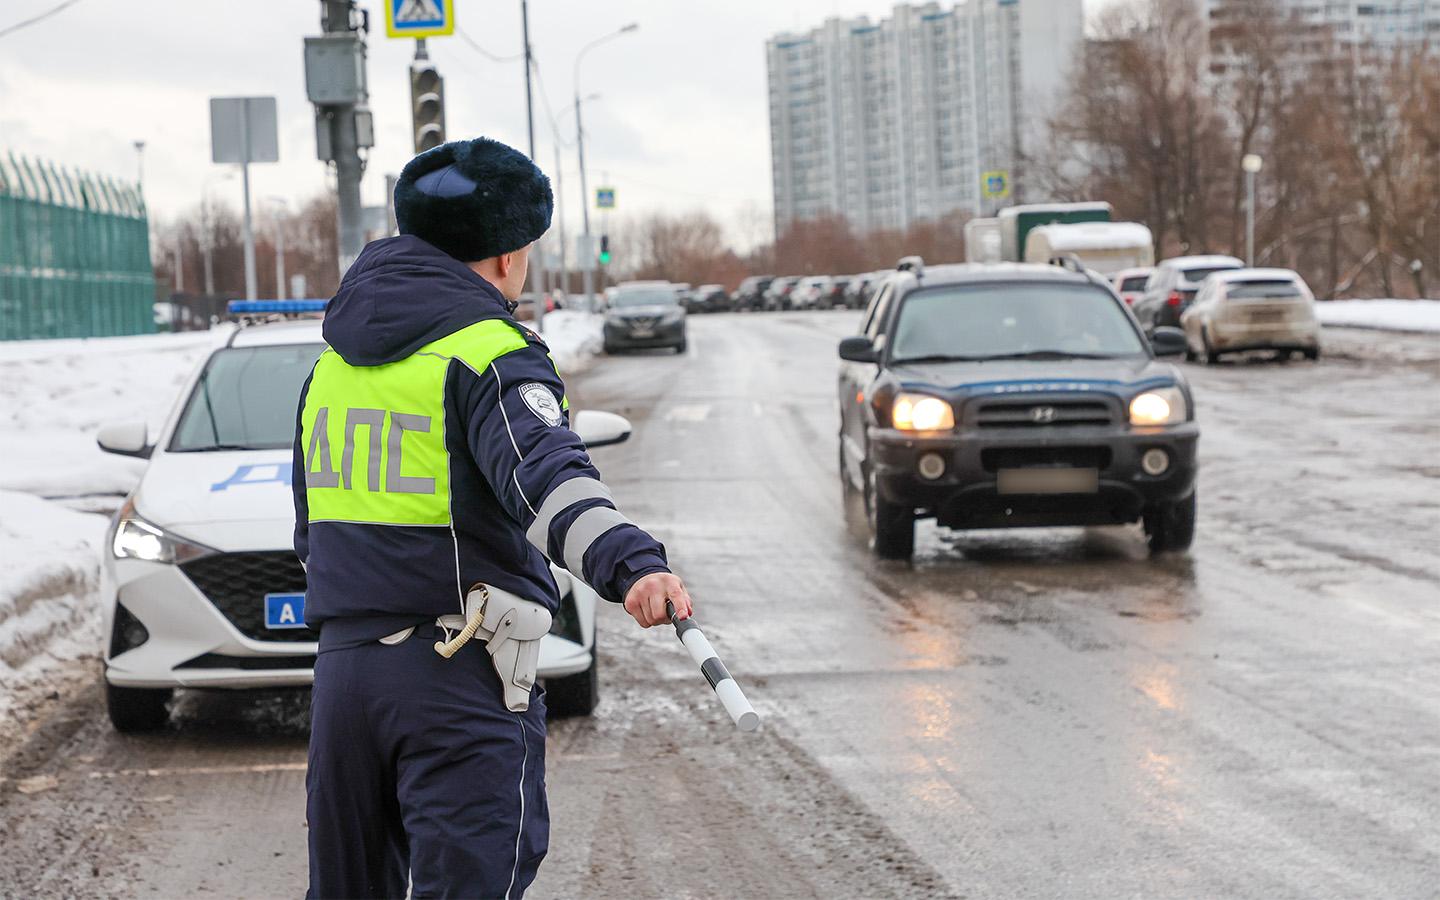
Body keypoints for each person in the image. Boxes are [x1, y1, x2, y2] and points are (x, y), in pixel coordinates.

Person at [293, 136, 693, 899]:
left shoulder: (330, 368)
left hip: (344, 680)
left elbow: (309, 531)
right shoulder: (490, 351)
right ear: (509, 257)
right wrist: (630, 562)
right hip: (457, 676)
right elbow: (544, 478)